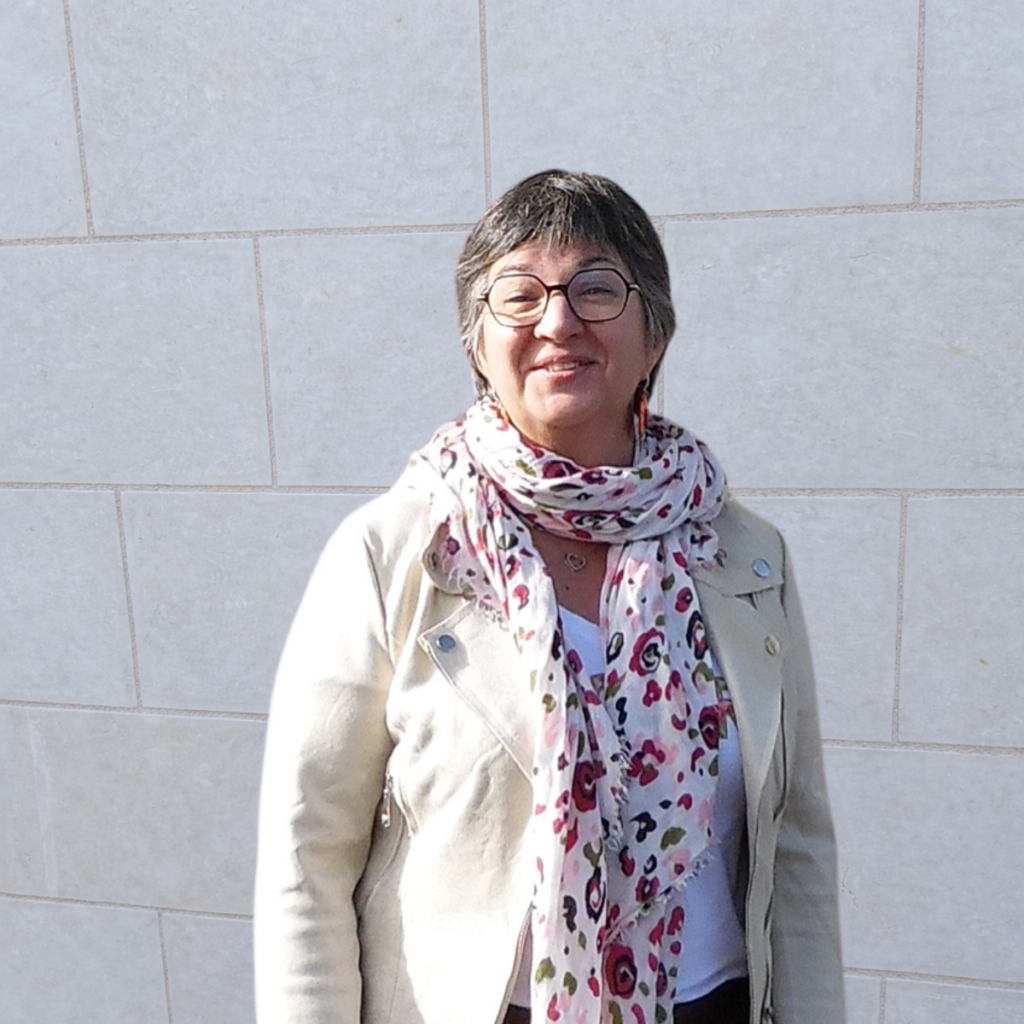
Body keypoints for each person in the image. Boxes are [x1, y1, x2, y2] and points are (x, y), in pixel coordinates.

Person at [254, 170, 845, 1024]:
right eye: (519, 295)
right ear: (477, 345)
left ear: (655, 335)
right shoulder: (394, 554)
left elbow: (798, 843)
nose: (558, 322)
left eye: (596, 289)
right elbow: (307, 852)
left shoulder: (744, 556)